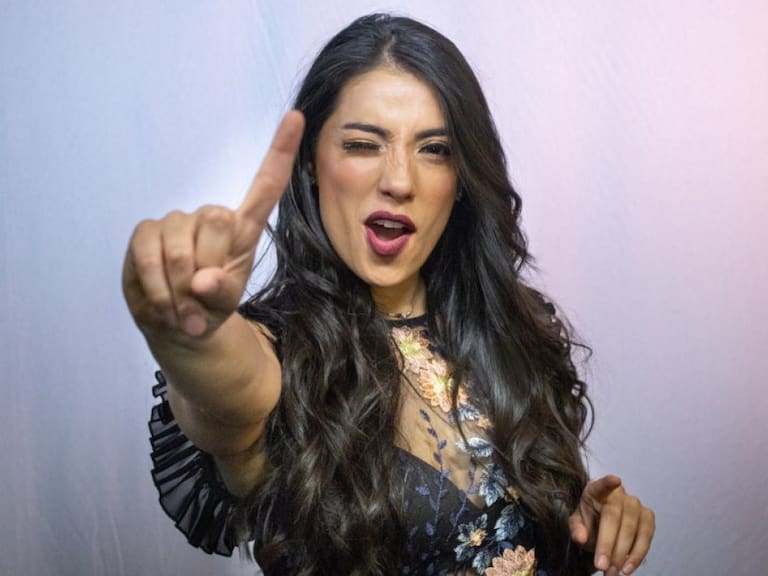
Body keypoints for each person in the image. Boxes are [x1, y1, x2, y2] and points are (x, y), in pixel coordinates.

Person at [123, 13, 655, 576]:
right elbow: (230, 396)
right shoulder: (280, 353)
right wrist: (191, 337)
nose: (399, 180)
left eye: (435, 149)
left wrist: (580, 523)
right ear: (311, 162)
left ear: (462, 178)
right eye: (362, 144)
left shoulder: (508, 327)